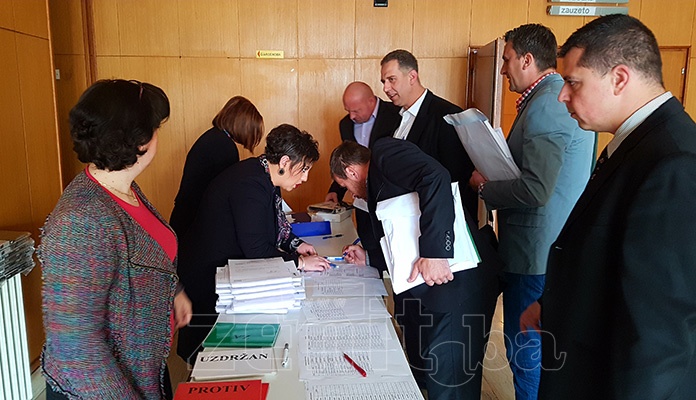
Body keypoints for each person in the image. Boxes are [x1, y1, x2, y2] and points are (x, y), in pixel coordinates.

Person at [520, 14, 696, 399]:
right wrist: (552, 304)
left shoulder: (674, 162)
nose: (562, 95)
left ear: (619, 78)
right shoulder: (634, 143)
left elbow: (659, 332)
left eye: (572, 82)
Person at [39, 79, 192, 400]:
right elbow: (74, 346)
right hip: (102, 386)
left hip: (142, 366)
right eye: (155, 128)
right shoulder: (82, 220)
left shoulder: (123, 189)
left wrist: (173, 290)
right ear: (137, 141)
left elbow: (148, 252)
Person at [467, 24, 594, 400]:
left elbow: (536, 188)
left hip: (534, 252)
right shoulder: (548, 100)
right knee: (531, 350)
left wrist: (484, 187)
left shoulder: (547, 105)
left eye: (506, 60)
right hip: (536, 248)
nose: (503, 69)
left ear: (526, 59)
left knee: (527, 352)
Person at [375, 49, 500, 399]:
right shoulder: (391, 120)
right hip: (410, 249)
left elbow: (450, 182)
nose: (386, 87)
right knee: (418, 336)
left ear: (413, 75)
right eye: (383, 80)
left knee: (447, 352)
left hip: (443, 250)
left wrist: (437, 247)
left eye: (391, 79)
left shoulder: (448, 116)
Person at [334, 139, 500, 400]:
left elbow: (436, 177)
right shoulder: (378, 184)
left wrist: (435, 252)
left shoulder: (385, 153)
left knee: (451, 384)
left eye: (346, 186)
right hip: (434, 290)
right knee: (436, 377)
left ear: (352, 171)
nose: (352, 194)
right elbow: (403, 234)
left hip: (458, 288)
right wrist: (368, 258)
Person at [177, 124, 330, 363]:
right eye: (304, 169)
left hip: (225, 271)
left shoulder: (263, 174)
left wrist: (295, 245)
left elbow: (273, 224)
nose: (306, 177)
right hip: (208, 278)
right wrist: (300, 262)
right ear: (286, 162)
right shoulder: (249, 185)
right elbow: (256, 250)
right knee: (210, 361)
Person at [325, 81, 401, 273]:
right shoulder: (345, 124)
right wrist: (336, 189)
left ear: (371, 101)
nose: (351, 116)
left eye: (356, 110)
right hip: (361, 198)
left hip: (389, 196)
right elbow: (347, 163)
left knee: (393, 246)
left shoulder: (395, 115)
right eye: (347, 110)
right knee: (367, 243)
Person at [169, 96, 263, 237]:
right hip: (194, 225)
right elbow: (229, 194)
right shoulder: (224, 147)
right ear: (244, 125)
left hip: (184, 218)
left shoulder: (212, 137)